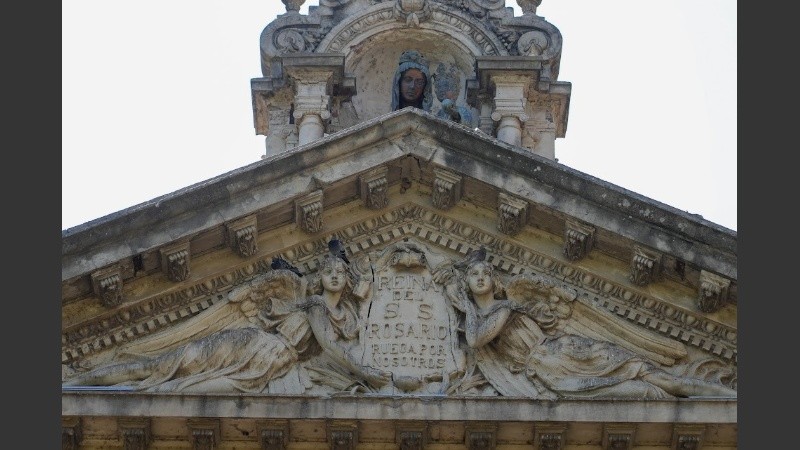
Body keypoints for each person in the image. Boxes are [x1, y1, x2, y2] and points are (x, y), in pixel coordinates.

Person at [62, 254, 391, 393]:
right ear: (319, 277)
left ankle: (113, 392)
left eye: (340, 272)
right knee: (160, 367)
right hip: (253, 347)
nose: (334, 276)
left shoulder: (344, 315)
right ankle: (75, 383)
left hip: (269, 365)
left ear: (348, 279)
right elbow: (330, 347)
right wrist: (365, 373)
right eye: (328, 271)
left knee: (177, 387)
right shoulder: (315, 304)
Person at [439, 259, 738, 399]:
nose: (480, 277)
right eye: (473, 274)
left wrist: (464, 303)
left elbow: (476, 339)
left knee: (649, 373)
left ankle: (726, 397)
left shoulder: (504, 308)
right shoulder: (484, 314)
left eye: (485, 272)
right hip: (551, 371)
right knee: (645, 391)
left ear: (495, 280)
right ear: (467, 282)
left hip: (569, 352)